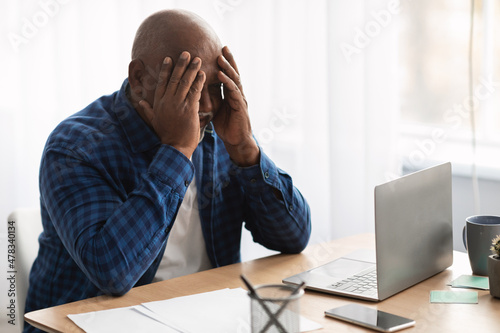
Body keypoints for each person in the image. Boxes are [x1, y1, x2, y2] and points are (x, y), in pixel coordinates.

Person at [24, 9, 311, 332]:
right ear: (139, 78)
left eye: (213, 86)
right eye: (188, 84)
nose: (204, 105)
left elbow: (293, 238)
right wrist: (176, 150)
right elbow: (112, 272)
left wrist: (245, 148)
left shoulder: (219, 131)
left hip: (203, 316)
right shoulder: (76, 146)